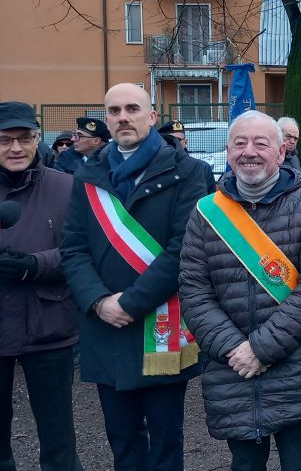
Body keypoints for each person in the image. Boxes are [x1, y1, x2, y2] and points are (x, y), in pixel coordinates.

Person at [179, 110, 301, 471]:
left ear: (281, 152)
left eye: (260, 143)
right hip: (232, 367)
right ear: (228, 152)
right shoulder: (205, 213)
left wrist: (261, 348)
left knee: (300, 460)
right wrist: (234, 349)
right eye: (240, 143)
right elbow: (194, 290)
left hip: (293, 366)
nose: (249, 151)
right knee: (245, 463)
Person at [61, 83, 207, 471]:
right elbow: (73, 248)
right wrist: (98, 301)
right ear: (107, 120)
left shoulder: (188, 172)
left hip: (160, 323)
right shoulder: (87, 175)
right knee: (122, 441)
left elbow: (184, 249)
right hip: (105, 325)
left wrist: (129, 303)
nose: (123, 117)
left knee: (166, 442)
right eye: (114, 111)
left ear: (152, 116)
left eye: (132, 108)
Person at [0, 102, 83, 471]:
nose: (16, 148)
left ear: (37, 139)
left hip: (49, 327)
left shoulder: (66, 186)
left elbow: (81, 251)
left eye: (24, 138)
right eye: (5, 140)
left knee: (59, 442)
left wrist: (36, 265)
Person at [158, 120, 215, 192]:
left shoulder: (202, 168)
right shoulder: (155, 168)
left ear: (185, 142)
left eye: (177, 140)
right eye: (170, 140)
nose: (174, 142)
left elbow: (210, 197)